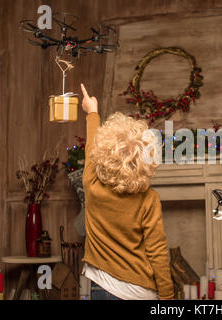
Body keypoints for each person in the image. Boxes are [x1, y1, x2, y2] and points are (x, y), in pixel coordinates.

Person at [79, 84, 174, 300]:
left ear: (104, 151)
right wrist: (167, 298)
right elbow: (157, 251)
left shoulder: (91, 182)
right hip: (142, 291)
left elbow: (90, 147)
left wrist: (92, 112)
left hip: (103, 286)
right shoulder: (148, 199)